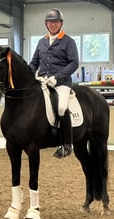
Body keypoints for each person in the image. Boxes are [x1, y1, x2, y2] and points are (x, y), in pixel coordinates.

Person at [29, 8, 79, 158]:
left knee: (62, 107)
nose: (52, 25)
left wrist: (57, 77)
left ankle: (67, 144)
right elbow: (34, 63)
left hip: (61, 82)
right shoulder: (41, 42)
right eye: (50, 22)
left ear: (60, 23)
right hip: (43, 81)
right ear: (46, 24)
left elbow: (74, 63)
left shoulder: (68, 41)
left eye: (55, 22)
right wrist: (27, 75)